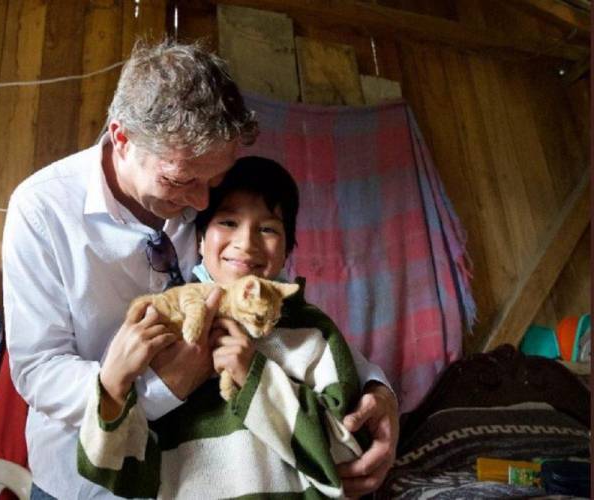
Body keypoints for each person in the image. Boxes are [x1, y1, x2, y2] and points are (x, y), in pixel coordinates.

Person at [3, 40, 397, 500]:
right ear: (122, 138)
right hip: (82, 479)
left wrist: (376, 389)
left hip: (198, 474)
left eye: (212, 181)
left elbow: (284, 325)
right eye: (180, 181)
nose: (202, 203)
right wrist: (164, 388)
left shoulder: (211, 198)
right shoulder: (41, 211)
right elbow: (40, 370)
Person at [77, 156, 396, 498]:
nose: (246, 242)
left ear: (288, 248)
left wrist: (255, 377)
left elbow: (345, 455)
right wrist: (113, 386)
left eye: (269, 228)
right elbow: (119, 472)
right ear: (199, 239)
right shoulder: (165, 328)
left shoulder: (313, 333)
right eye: (228, 222)